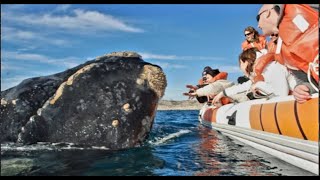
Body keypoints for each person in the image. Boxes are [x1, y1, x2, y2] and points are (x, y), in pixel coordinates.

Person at [256, 4, 318, 103]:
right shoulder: (283, 51)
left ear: (267, 13)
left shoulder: (306, 6)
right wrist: (302, 88)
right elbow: (307, 82)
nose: (258, 25)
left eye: (258, 18)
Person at [211, 48, 294, 105]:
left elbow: (282, 95)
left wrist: (258, 86)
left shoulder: (271, 68)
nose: (240, 68)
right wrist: (222, 93)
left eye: (241, 64)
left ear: (246, 61)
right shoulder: (262, 72)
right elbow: (243, 86)